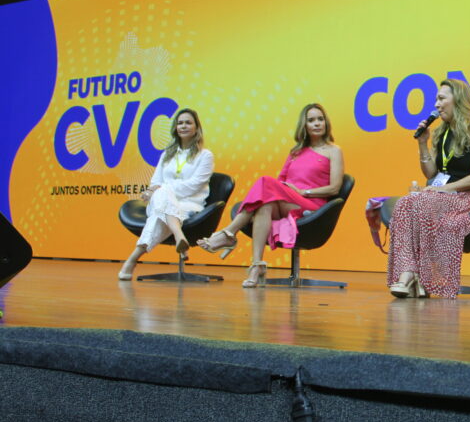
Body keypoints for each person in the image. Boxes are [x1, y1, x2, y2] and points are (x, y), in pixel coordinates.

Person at [198, 103, 343, 287]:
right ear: (304, 125)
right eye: (311, 120)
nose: (317, 124)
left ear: (326, 123)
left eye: (320, 119)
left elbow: (335, 188)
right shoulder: (295, 152)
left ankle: (229, 233)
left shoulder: (333, 151)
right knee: (264, 205)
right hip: (288, 201)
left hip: (312, 207)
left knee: (265, 182)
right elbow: (281, 180)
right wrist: (287, 190)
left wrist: (303, 192)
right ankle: (256, 266)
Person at [387, 78, 470, 299]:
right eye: (436, 99)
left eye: (441, 98)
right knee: (406, 201)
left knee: (421, 200)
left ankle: (421, 278)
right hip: (439, 196)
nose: (436, 104)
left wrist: (442, 190)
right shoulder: (441, 134)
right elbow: (431, 174)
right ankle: (408, 274)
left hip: (467, 195)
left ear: (459, 101)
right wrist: (422, 143)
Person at [118, 108, 214, 280]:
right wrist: (152, 191)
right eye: (180, 123)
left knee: (158, 214)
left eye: (188, 122)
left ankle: (132, 260)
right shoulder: (167, 155)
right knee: (162, 200)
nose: (183, 126)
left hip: (189, 203)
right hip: (161, 201)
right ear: (175, 127)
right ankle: (178, 235)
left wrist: (164, 188)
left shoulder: (205, 155)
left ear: (196, 128)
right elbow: (155, 182)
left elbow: (194, 185)